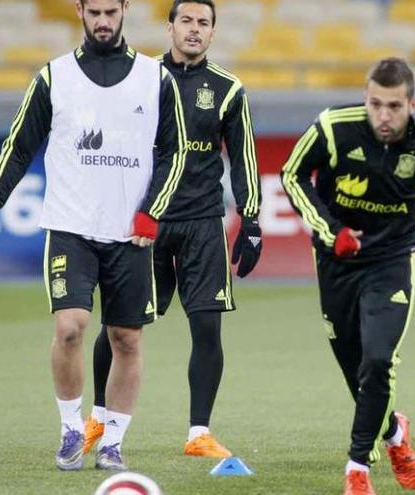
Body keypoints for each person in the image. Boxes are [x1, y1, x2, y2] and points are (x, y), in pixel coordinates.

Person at [0, 0, 187, 471]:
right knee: (70, 329)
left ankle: (111, 441)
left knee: (126, 338)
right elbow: (19, 146)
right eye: (94, 12)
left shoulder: (155, 77)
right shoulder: (54, 76)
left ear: (125, 9)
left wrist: (151, 212)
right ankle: (71, 427)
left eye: (111, 11)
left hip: (130, 234)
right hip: (70, 227)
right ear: (79, 10)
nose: (103, 21)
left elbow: (175, 151)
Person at [84, 0, 261, 459]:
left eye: (204, 23)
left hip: (203, 224)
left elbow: (243, 159)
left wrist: (252, 218)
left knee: (207, 328)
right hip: (147, 223)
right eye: (187, 20)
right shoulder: (139, 78)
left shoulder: (227, 89)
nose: (195, 30)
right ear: (169, 28)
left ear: (213, 33)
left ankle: (198, 433)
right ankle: (98, 420)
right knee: (120, 327)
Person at [281, 57, 415, 495]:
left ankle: (357, 468)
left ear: (412, 104)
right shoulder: (334, 127)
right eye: (375, 104)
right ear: (365, 99)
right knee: (355, 365)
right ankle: (395, 432)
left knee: (378, 360)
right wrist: (332, 232)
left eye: (394, 106)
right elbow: (291, 174)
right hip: (336, 261)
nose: (383, 116)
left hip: (391, 261)